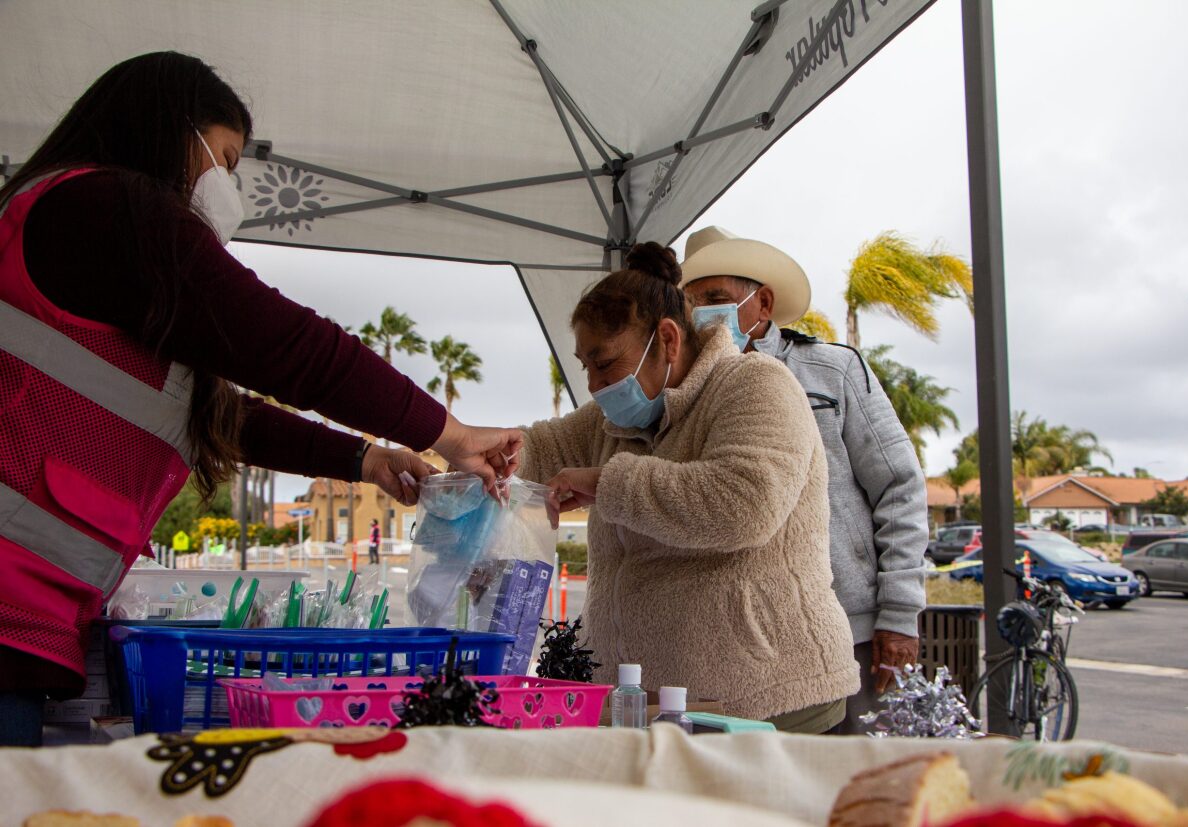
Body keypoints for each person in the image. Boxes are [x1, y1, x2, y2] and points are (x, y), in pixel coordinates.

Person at [0, 52, 522, 746]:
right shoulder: (103, 209)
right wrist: (450, 432)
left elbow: (212, 415)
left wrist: (365, 459)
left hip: (26, 622)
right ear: (167, 132)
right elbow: (282, 342)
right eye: (222, 158)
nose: (228, 189)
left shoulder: (95, 237)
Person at [519, 242, 858, 732]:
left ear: (669, 340)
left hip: (770, 701)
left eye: (606, 363)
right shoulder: (609, 421)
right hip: (655, 707)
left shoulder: (757, 384)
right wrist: (457, 453)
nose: (594, 385)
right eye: (585, 367)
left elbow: (743, 504)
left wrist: (607, 484)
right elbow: (536, 450)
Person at [680, 226, 928, 734]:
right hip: (731, 637)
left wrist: (899, 614)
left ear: (763, 302)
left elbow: (899, 486)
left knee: (850, 785)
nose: (701, 313)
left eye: (716, 298)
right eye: (690, 302)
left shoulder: (831, 370)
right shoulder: (682, 390)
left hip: (847, 624)